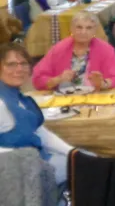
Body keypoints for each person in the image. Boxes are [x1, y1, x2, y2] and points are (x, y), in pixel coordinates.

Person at [0, 43, 75, 186]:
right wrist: (24, 159)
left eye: (23, 63)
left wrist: (73, 152)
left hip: (37, 162)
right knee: (94, 170)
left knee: (91, 162)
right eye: (11, 64)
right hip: (17, 175)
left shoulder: (20, 98)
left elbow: (41, 133)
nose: (19, 69)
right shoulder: (1, 103)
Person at [32, 11, 115, 91]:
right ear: (71, 29)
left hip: (96, 97)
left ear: (95, 31)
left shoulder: (106, 49)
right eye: (79, 27)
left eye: (89, 28)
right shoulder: (58, 49)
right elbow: (38, 79)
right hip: (64, 99)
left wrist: (102, 84)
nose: (83, 32)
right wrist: (58, 79)